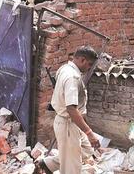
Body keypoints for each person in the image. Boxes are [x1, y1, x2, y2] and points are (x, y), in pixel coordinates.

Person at [37, 46, 101, 174]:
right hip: (67, 123)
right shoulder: (72, 77)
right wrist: (89, 132)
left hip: (72, 123)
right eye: (89, 65)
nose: (89, 68)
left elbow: (77, 108)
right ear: (82, 60)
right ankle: (55, 165)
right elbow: (71, 109)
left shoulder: (66, 68)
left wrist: (88, 130)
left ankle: (47, 164)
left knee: (87, 149)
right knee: (72, 167)